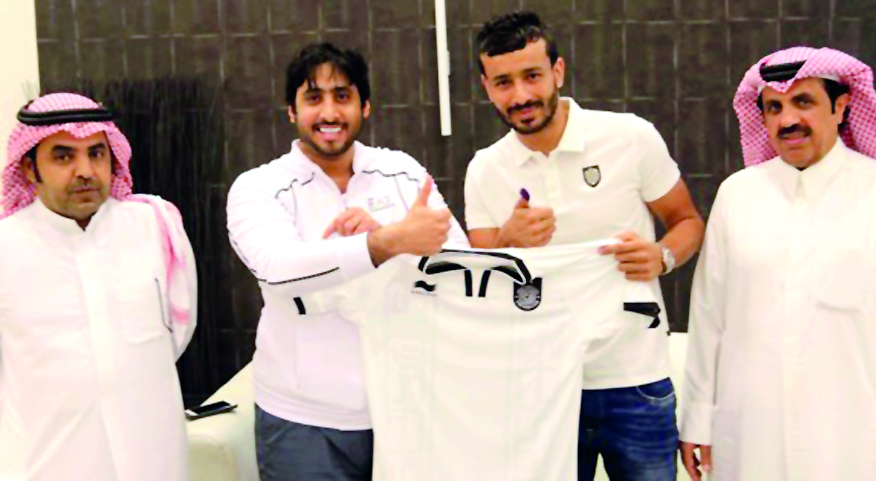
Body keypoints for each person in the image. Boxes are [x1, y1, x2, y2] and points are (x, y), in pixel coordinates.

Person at [680, 47, 876, 481]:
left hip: (855, 445)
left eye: (803, 101)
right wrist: (696, 417)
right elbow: (709, 318)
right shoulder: (738, 195)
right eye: (774, 107)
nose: (787, 119)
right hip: (751, 440)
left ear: (841, 107)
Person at [464, 12, 705, 481]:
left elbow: (687, 221)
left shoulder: (629, 136)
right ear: (486, 86)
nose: (521, 96)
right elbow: (481, 285)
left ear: (558, 71)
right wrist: (509, 242)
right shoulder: (485, 169)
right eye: (503, 82)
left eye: (532, 76)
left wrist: (663, 256)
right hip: (539, 387)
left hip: (634, 380)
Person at [226, 42, 468, 481]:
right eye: (313, 98)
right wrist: (385, 243)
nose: (329, 112)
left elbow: (462, 271)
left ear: (366, 105)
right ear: (290, 111)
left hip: (406, 407)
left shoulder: (404, 173)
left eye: (342, 96)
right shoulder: (258, 186)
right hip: (302, 419)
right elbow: (278, 269)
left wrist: (397, 244)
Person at [0, 92, 197, 480]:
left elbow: (178, 332)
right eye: (62, 156)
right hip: (50, 463)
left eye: (96, 153)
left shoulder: (155, 226)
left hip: (154, 457)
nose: (84, 169)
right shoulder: (6, 249)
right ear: (28, 168)